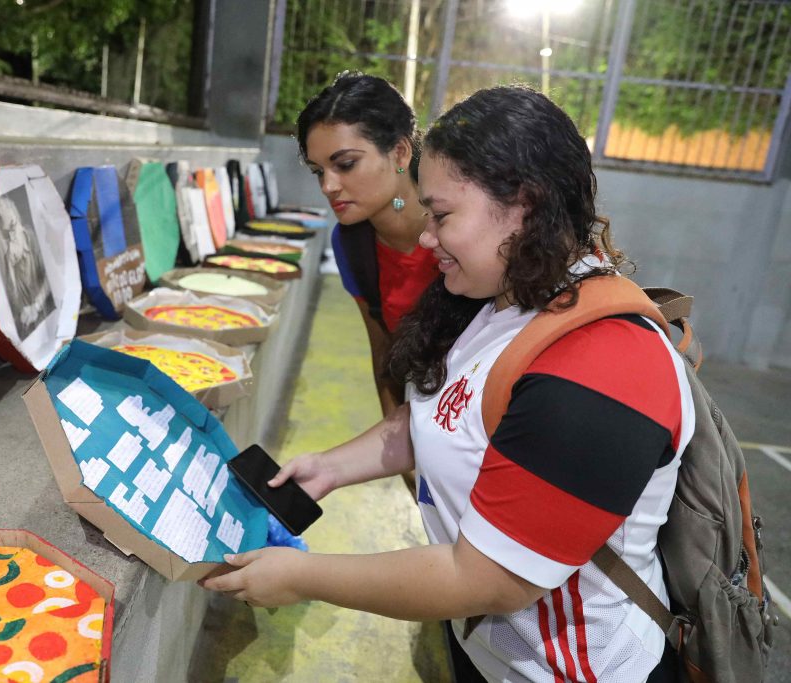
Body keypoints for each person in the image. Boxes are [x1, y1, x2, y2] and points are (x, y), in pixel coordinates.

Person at [204, 86, 692, 683]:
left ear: (523, 204)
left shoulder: (605, 364)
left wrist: (302, 576)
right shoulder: (505, 304)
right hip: (491, 651)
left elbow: (485, 579)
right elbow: (448, 416)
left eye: (441, 215)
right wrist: (330, 468)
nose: (425, 236)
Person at [298, 72, 441, 420]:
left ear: (400, 153)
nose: (328, 186)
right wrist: (403, 457)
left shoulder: (456, 233)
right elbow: (385, 357)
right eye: (318, 171)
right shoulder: (352, 243)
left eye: (345, 164)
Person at [0, 190, 55, 341]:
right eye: (6, 236)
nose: (12, 239)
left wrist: (36, 305)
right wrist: (10, 267)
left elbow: (51, 277)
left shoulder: (30, 237)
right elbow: (11, 301)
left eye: (13, 230)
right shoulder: (6, 257)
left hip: (47, 318)